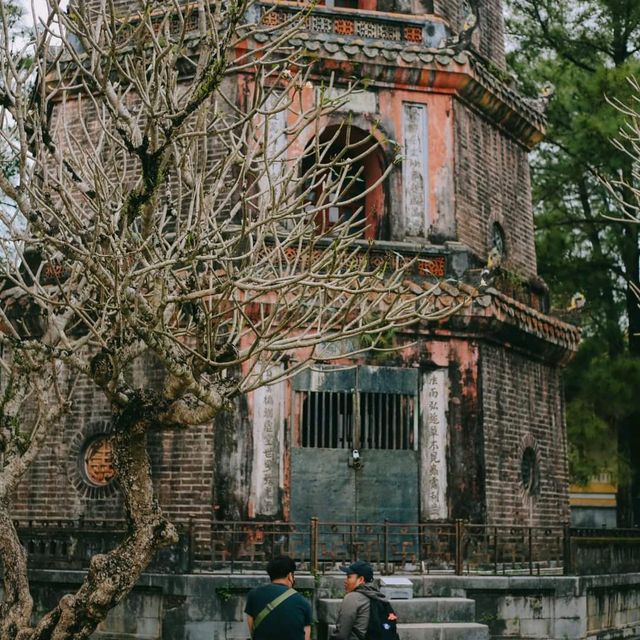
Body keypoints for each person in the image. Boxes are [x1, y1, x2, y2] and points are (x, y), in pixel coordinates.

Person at [245, 555, 312, 640]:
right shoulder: (303, 602)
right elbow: (306, 637)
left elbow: (252, 630)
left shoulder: (253, 595)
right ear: (290, 575)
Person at [330, 560, 392, 640]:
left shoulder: (352, 598)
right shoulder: (379, 597)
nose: (345, 581)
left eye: (349, 577)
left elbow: (341, 635)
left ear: (361, 579)